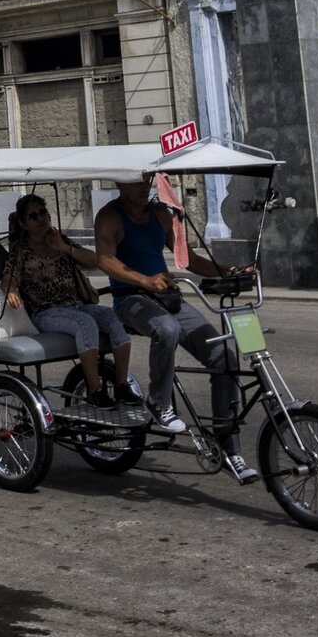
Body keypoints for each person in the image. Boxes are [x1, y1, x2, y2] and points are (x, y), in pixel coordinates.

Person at [95, 180, 256, 483]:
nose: (144, 186)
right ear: (119, 183)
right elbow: (104, 260)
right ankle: (158, 402)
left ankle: (228, 447)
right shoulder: (110, 216)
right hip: (131, 300)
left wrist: (230, 272)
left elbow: (190, 260)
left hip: (167, 297)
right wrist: (143, 281)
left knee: (225, 356)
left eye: (147, 180)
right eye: (135, 181)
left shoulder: (161, 215)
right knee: (166, 329)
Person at [0, 195, 138, 419]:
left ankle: (121, 385)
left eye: (43, 212)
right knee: (86, 324)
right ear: (24, 224)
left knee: (114, 318)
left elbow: (95, 260)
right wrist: (11, 291)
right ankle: (95, 390)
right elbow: (8, 279)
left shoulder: (59, 239)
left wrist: (65, 248)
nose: (41, 219)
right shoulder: (20, 250)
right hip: (46, 313)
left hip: (76, 306)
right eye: (33, 216)